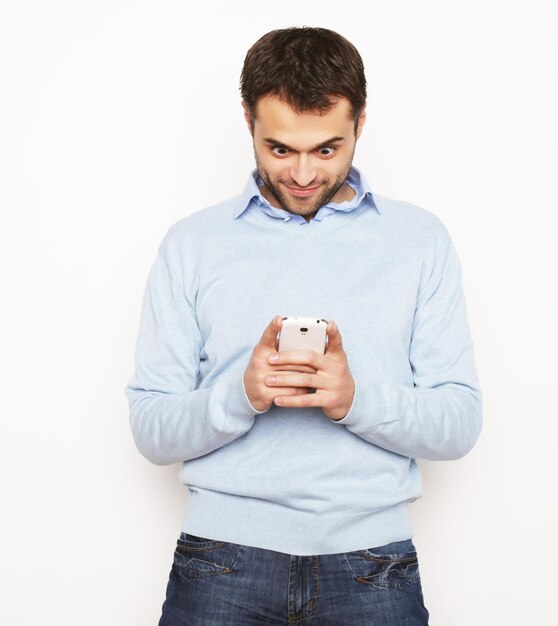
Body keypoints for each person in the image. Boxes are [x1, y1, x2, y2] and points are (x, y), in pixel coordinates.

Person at [125, 26, 482, 625]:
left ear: (360, 124)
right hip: (222, 562)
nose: (303, 175)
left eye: (327, 149)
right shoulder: (193, 244)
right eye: (280, 149)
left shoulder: (419, 241)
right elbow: (150, 429)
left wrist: (354, 399)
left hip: (373, 563)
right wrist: (238, 396)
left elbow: (460, 423)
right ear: (248, 122)